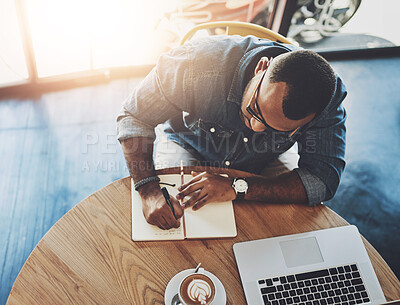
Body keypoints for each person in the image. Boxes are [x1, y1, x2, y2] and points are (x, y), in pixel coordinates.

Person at [117, 35, 347, 230]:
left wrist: (238, 186)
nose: (256, 127)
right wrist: (148, 190)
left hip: (264, 160)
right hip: (188, 143)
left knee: (281, 231)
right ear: (261, 67)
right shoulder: (196, 64)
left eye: (275, 129)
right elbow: (134, 116)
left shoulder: (326, 100)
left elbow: (321, 181)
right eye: (254, 109)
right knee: (178, 224)